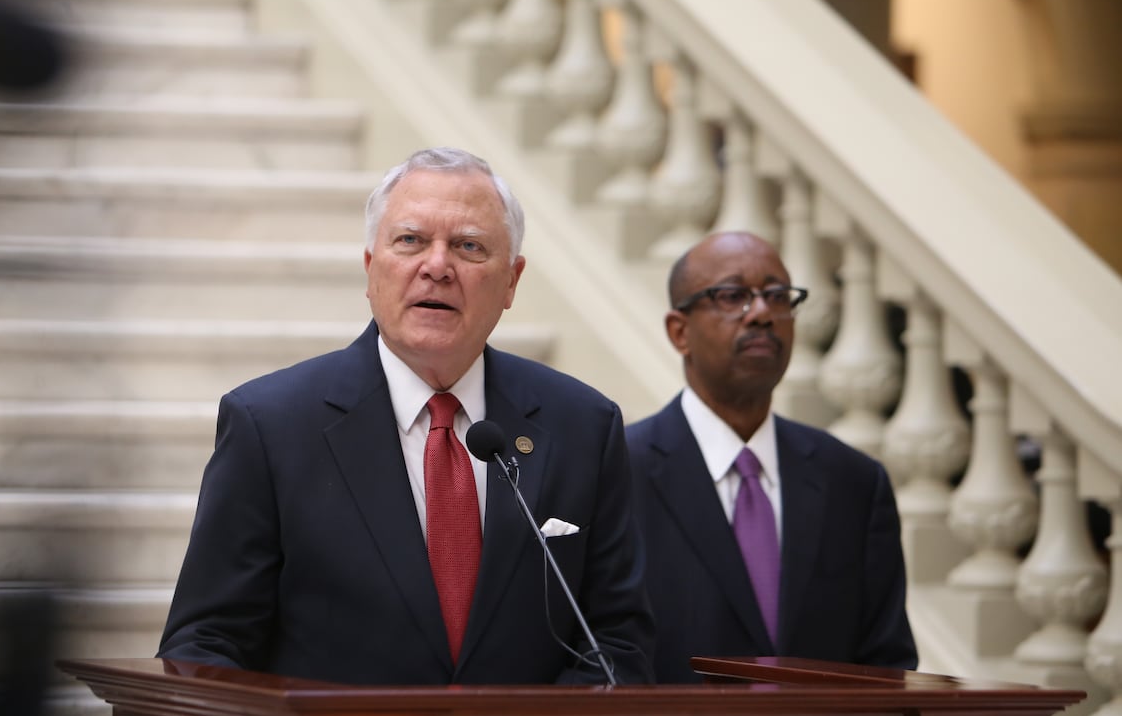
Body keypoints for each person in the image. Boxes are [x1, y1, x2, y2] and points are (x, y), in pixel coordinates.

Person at [158, 147, 654, 685]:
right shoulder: (271, 425)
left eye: (469, 246)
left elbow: (616, 639)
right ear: (372, 270)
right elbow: (206, 642)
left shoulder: (582, 425)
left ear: (511, 281)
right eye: (411, 241)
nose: (437, 267)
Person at [626, 230, 918, 683]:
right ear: (679, 331)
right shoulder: (618, 471)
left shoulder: (854, 483)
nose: (762, 313)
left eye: (778, 295)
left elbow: (886, 666)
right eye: (732, 295)